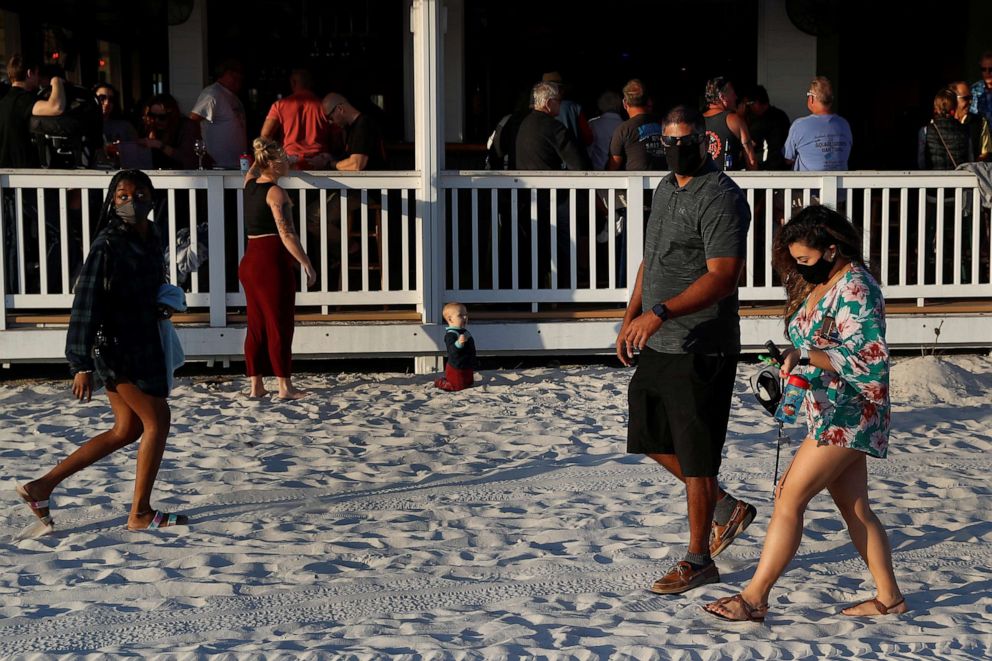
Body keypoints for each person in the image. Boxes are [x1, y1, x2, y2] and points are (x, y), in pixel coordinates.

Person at [703, 205, 906, 622]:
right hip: (826, 408)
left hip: (851, 411)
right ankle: (890, 597)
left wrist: (810, 355)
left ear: (832, 250)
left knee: (788, 497)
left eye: (805, 260)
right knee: (855, 509)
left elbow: (872, 362)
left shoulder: (857, 288)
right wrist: (796, 360)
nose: (798, 268)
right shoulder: (822, 280)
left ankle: (755, 597)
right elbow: (814, 346)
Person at [616, 105, 754, 595]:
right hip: (660, 336)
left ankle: (699, 560)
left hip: (704, 342)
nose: (676, 150)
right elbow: (650, 260)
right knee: (648, 432)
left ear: (706, 141)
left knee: (698, 455)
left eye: (685, 141)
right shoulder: (664, 188)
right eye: (668, 142)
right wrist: (633, 315)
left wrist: (660, 313)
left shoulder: (720, 196)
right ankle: (724, 507)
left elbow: (723, 276)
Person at [15, 170, 189, 533]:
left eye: (139, 194)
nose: (132, 202)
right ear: (112, 202)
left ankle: (41, 487)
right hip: (115, 346)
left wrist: (164, 303)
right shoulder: (107, 244)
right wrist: (80, 363)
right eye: (123, 196)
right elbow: (85, 303)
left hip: (144, 338)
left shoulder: (152, 235)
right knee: (158, 420)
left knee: (126, 429)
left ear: (151, 198)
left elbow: (154, 282)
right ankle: (140, 513)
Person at [239, 137, 316, 400]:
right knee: (279, 323)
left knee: (256, 325)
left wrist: (260, 147)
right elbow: (287, 234)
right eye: (283, 160)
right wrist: (305, 262)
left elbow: (251, 168)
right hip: (269, 262)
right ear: (271, 164)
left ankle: (256, 385)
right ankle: (284, 386)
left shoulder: (248, 184)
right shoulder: (276, 192)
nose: (289, 163)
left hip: (249, 261)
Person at [0, 54, 66, 167]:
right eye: (37, 74)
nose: (38, 79)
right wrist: (56, 81)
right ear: (29, 73)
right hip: (20, 176)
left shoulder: (4, 100)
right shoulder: (23, 99)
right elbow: (56, 107)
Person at [261, 69, 331, 169]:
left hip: (291, 162)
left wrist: (275, 157)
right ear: (310, 83)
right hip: (319, 162)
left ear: (293, 83)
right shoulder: (325, 106)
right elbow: (337, 138)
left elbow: (265, 136)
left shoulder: (280, 105)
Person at [515, 81, 590, 171]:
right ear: (548, 103)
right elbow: (577, 165)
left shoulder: (524, 123)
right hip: (547, 183)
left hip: (524, 183)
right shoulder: (554, 127)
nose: (560, 104)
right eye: (559, 100)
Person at [784, 76, 852, 171]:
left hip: (808, 185)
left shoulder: (799, 125)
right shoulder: (844, 125)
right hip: (839, 185)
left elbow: (788, 159)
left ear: (811, 98)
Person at [189, 58, 247, 169]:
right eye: (233, 74)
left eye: (239, 75)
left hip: (237, 164)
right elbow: (192, 120)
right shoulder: (213, 93)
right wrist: (201, 150)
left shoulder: (233, 96)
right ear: (224, 73)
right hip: (218, 165)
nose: (238, 78)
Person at [607, 79, 666, 171]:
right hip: (665, 181)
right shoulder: (664, 124)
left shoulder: (624, 129)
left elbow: (614, 165)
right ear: (648, 102)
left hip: (636, 183)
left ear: (625, 103)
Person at [320, 93, 386, 171]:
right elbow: (350, 158)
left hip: (374, 181)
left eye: (331, 117)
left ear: (340, 109)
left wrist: (329, 164)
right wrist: (331, 158)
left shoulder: (363, 125)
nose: (330, 122)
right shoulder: (351, 128)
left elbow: (356, 164)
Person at [702, 76, 757, 170]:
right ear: (722, 97)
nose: (736, 97)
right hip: (728, 182)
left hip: (701, 181)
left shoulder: (696, 121)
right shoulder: (734, 119)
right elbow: (751, 160)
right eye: (733, 94)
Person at [139, 93, 200, 170]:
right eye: (152, 116)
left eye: (162, 117)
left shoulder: (186, 127)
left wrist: (160, 145)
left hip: (184, 175)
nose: (156, 120)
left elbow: (188, 159)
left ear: (172, 116)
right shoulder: (149, 126)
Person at [917, 89, 970, 170]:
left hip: (934, 179)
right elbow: (970, 160)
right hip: (959, 179)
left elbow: (921, 163)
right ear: (955, 107)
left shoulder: (925, 130)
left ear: (935, 107)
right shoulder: (965, 130)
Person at [742, 85, 791, 170]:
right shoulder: (781, 115)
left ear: (757, 103)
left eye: (749, 104)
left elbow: (749, 143)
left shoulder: (760, 122)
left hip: (765, 168)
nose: (749, 108)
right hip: (783, 168)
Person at [541, 71, 593, 147]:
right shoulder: (573, 107)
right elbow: (588, 138)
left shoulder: (539, 108)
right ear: (561, 89)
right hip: (573, 155)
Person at [434, 302, 477, 392]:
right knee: (456, 386)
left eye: (466, 315)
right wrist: (458, 343)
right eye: (460, 315)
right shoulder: (451, 335)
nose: (465, 317)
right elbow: (451, 351)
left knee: (469, 382)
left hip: (467, 363)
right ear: (450, 319)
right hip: (456, 366)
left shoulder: (464, 331)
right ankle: (440, 382)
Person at [949, 80, 991, 162]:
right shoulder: (942, 122)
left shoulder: (980, 122)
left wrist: (971, 167)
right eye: (966, 98)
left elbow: (986, 152)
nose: (971, 102)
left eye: (971, 98)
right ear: (952, 99)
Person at [587, 90, 624, 170]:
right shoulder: (625, 125)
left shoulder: (593, 124)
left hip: (597, 171)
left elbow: (588, 151)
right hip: (620, 173)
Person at [968, 50, 992, 130]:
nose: (987, 73)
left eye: (991, 69)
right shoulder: (974, 89)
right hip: (981, 137)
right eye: (983, 69)